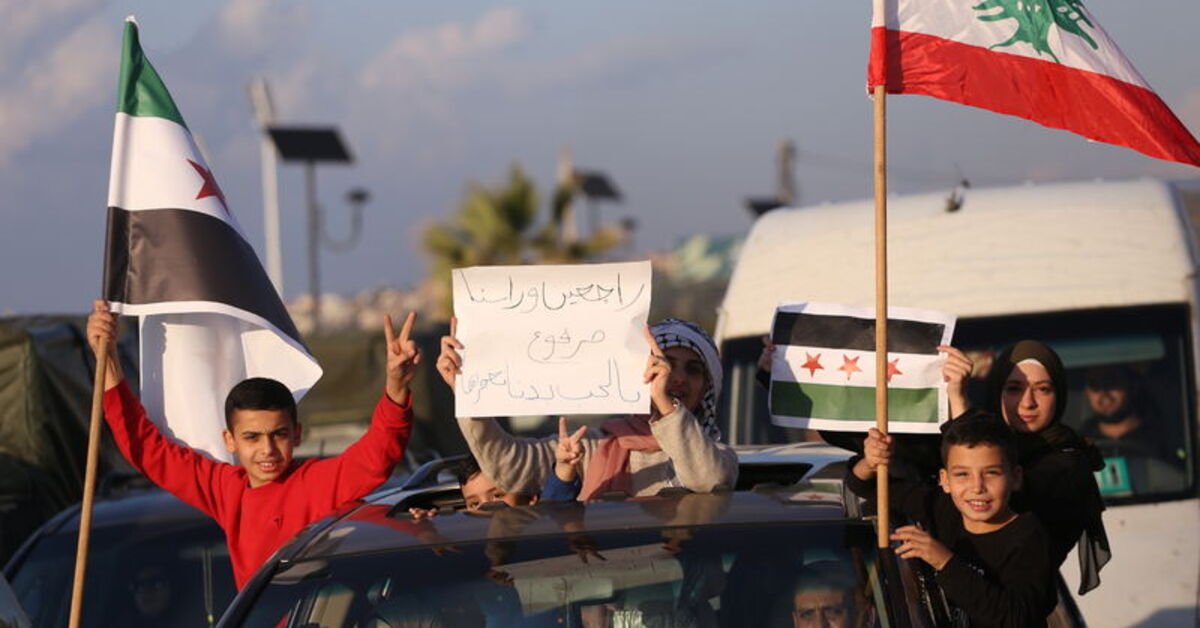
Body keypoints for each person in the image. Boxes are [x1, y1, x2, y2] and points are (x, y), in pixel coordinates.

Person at [86, 300, 420, 589]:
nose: (268, 450)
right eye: (252, 437)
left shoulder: (318, 482)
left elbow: (376, 456)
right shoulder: (225, 490)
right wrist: (109, 358)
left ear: (297, 434)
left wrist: (396, 386)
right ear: (229, 440)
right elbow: (147, 449)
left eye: (278, 434)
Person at [437, 318, 738, 499]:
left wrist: (664, 401)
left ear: (708, 387)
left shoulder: (718, 454)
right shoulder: (596, 444)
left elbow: (706, 479)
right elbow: (509, 467)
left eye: (694, 370)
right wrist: (467, 390)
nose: (679, 377)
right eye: (666, 364)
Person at [849, 411, 1056, 628]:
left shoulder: (1028, 536)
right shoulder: (941, 507)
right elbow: (868, 487)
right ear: (944, 480)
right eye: (962, 474)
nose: (977, 487)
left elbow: (1015, 618)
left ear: (1015, 477)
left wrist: (944, 561)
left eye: (991, 473)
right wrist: (871, 463)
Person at [984, 340, 1109, 592]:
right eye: (1014, 388)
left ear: (1059, 394)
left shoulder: (1069, 463)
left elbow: (1013, 503)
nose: (1028, 402)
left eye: (1042, 389)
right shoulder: (985, 445)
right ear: (997, 391)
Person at [1078, 365, 1175, 463]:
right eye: (1096, 385)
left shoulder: (1163, 437)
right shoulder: (1078, 443)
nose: (1104, 394)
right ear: (1087, 392)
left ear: (1131, 386)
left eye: (1112, 383)